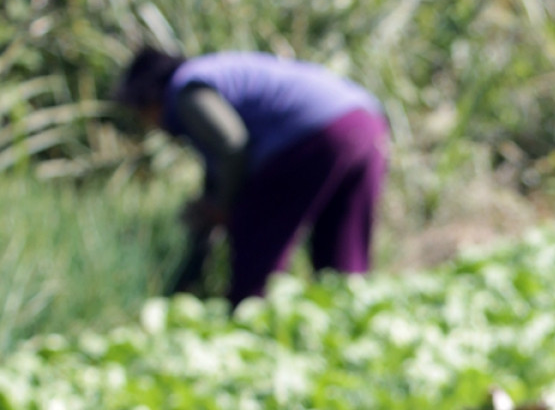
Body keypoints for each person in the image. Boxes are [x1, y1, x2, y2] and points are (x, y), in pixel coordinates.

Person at [114, 47, 389, 305]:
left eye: (141, 114)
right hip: (366, 121)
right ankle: (350, 324)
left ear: (149, 97)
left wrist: (223, 207)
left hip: (316, 133)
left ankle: (249, 321)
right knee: (343, 260)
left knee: (255, 241)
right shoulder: (214, 71)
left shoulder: (187, 90)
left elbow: (232, 146)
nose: (147, 123)